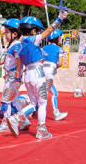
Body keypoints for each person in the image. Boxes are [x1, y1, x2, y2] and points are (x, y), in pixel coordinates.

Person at [6, 10, 68, 140]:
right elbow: (50, 29)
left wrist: (17, 81)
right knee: (42, 103)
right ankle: (40, 129)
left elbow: (18, 67)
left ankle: (16, 118)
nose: (38, 33)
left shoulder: (19, 46)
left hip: (27, 76)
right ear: (33, 30)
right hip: (38, 74)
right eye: (37, 31)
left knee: (34, 103)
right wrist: (61, 18)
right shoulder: (33, 40)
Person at [0, 19, 26, 132]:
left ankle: (6, 124)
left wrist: (17, 78)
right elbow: (2, 61)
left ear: (15, 34)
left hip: (13, 77)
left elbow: (19, 62)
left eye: (7, 32)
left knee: (5, 101)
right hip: (11, 77)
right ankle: (25, 121)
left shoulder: (17, 46)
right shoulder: (11, 46)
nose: (4, 34)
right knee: (14, 101)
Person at [43, 29, 68, 121]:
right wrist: (54, 67)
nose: (61, 39)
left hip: (42, 71)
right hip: (50, 73)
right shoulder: (59, 49)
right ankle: (55, 114)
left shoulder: (44, 47)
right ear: (57, 39)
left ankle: (55, 112)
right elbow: (60, 63)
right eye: (60, 37)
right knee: (44, 95)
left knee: (53, 93)